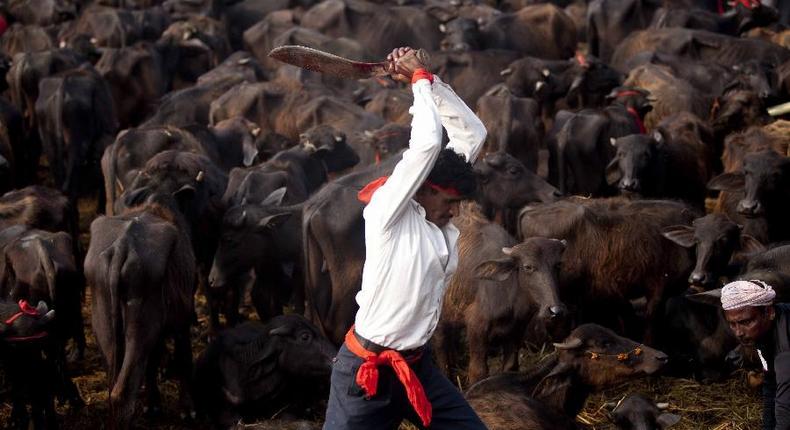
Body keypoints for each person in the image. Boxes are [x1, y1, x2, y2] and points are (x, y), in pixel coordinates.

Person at [322, 46, 488, 429]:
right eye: (449, 202)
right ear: (422, 189)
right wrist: (415, 83)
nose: (455, 213)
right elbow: (427, 146)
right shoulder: (388, 211)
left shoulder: (439, 223)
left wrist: (430, 81)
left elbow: (473, 133)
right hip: (368, 372)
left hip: (416, 366)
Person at [721, 279, 790, 430]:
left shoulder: (785, 345)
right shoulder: (764, 334)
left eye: (746, 322)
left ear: (769, 312)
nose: (738, 333)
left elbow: (785, 402)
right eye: (732, 324)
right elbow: (771, 384)